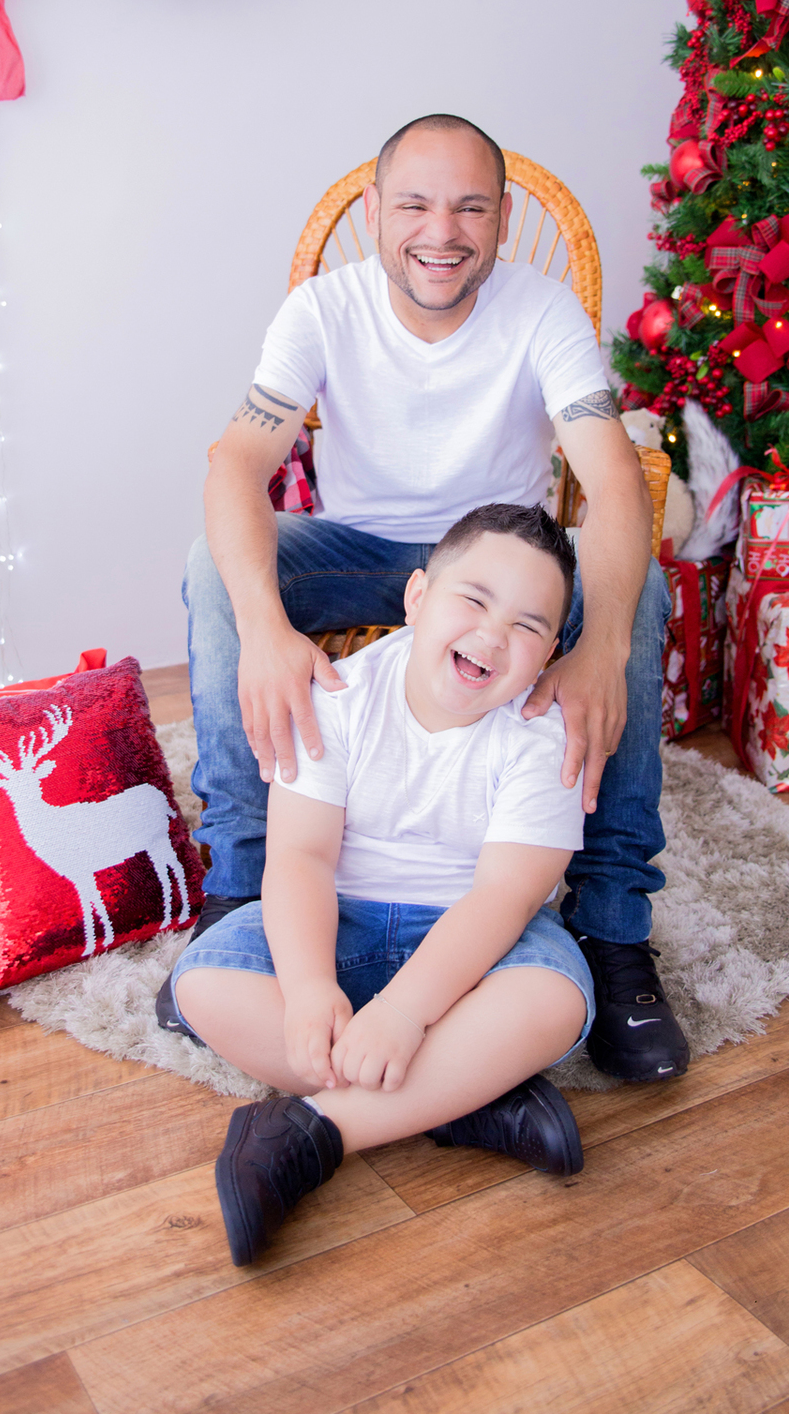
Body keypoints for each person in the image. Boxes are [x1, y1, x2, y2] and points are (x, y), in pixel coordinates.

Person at [161, 113, 688, 1083]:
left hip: (503, 564)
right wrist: (269, 630)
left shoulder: (542, 312)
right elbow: (237, 462)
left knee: (638, 587)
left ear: (499, 219)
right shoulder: (324, 308)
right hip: (366, 551)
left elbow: (614, 482)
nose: (440, 232)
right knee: (214, 560)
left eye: (468, 207)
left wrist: (602, 641)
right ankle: (241, 894)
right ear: (373, 212)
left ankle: (614, 933)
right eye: (414, 203)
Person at [172, 504, 593, 1266]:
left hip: (473, 942)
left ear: (551, 654)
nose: (494, 635)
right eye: (474, 600)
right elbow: (299, 857)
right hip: (345, 921)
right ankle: (465, 1103)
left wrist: (403, 1011)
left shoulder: (545, 733)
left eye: (529, 627)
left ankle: (313, 1131)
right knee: (204, 983)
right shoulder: (340, 694)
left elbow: (505, 895)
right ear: (417, 597)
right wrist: (305, 990)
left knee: (555, 1002)